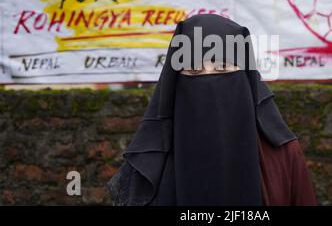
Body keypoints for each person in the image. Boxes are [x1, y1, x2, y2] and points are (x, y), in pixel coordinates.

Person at [107, 14, 317, 206]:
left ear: (245, 76)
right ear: (175, 82)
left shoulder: (282, 155)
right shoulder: (151, 163)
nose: (208, 81)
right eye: (194, 70)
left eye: (222, 68)